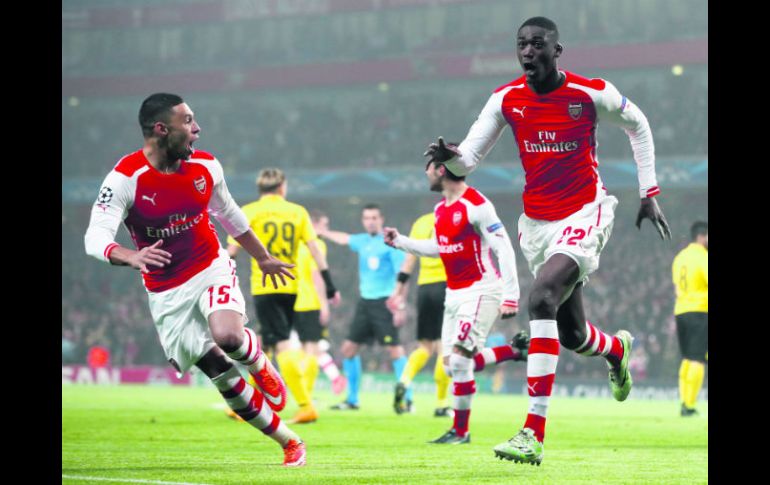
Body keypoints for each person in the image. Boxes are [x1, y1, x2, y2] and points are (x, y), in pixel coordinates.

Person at [423, 17, 672, 465]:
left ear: (557, 51)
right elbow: (469, 162)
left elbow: (639, 125)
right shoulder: (505, 100)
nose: (529, 51)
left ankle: (532, 433)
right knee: (572, 333)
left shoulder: (589, 93)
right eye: (522, 45)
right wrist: (450, 160)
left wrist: (648, 191)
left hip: (585, 211)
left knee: (540, 298)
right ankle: (616, 350)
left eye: (538, 44)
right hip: (537, 225)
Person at [84, 93, 306, 467]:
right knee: (218, 372)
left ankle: (260, 366)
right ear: (161, 129)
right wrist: (130, 255)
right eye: (188, 121)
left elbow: (230, 215)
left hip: (209, 265)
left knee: (228, 336)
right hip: (166, 290)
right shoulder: (125, 177)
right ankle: (289, 441)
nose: (197, 129)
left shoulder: (206, 167)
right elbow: (96, 236)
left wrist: (263, 257)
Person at [384, 159, 528, 444]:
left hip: (482, 289)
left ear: (440, 170)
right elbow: (439, 248)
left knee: (461, 362)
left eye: (427, 167)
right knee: (451, 366)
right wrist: (400, 241)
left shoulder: (477, 204)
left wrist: (511, 295)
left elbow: (504, 248)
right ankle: (513, 351)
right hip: (455, 293)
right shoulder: (440, 210)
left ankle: (461, 432)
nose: (424, 172)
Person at [227, 169, 340, 425]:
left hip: (264, 286)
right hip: (290, 287)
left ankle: (305, 404)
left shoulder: (249, 211)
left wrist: (223, 279)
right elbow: (315, 252)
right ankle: (247, 404)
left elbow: (231, 251)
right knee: (268, 345)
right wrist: (331, 285)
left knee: (280, 344)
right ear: (282, 187)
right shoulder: (298, 212)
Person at [319, 204, 408, 411]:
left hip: (385, 302)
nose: (370, 221)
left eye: (374, 217)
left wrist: (400, 305)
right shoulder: (362, 241)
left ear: (381, 219)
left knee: (395, 351)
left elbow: (402, 275)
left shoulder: (391, 243)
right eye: (367, 218)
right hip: (365, 303)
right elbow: (344, 238)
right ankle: (352, 399)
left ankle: (407, 398)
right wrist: (323, 232)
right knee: (348, 349)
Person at [387, 211, 451, 416]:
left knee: (425, 346)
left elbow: (408, 263)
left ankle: (403, 381)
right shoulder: (453, 216)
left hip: (424, 289)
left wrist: (397, 292)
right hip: (447, 285)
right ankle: (441, 404)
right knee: (444, 347)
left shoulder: (420, 222)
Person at [292, 210, 348, 411]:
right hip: (309, 303)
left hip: (291, 301)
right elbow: (317, 277)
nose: (326, 229)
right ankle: (305, 398)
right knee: (311, 350)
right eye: (324, 225)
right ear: (314, 225)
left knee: (301, 350)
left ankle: (305, 395)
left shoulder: (296, 243)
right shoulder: (316, 244)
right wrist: (324, 306)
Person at [672, 221, 708, 417]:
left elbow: (677, 288)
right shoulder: (702, 257)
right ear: (702, 237)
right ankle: (689, 405)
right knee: (697, 359)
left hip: (681, 311)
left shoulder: (680, 257)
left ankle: (684, 402)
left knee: (687, 359)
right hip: (700, 310)